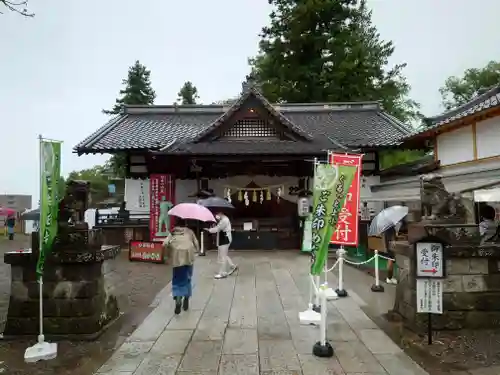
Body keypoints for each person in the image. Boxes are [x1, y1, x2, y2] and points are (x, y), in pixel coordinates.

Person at [163, 220, 199, 315]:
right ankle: (186, 298)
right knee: (188, 278)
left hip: (177, 260)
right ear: (185, 224)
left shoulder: (173, 232)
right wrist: (197, 251)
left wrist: (166, 255)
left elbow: (165, 243)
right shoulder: (190, 231)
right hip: (189, 258)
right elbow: (196, 242)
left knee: (177, 280)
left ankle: (178, 298)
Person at [206, 211, 237, 279]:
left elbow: (218, 228)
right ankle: (232, 266)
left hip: (225, 240)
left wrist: (209, 230)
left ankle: (223, 273)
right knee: (224, 255)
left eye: (216, 214)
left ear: (220, 213)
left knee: (222, 256)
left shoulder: (224, 220)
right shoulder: (223, 219)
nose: (216, 216)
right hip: (223, 239)